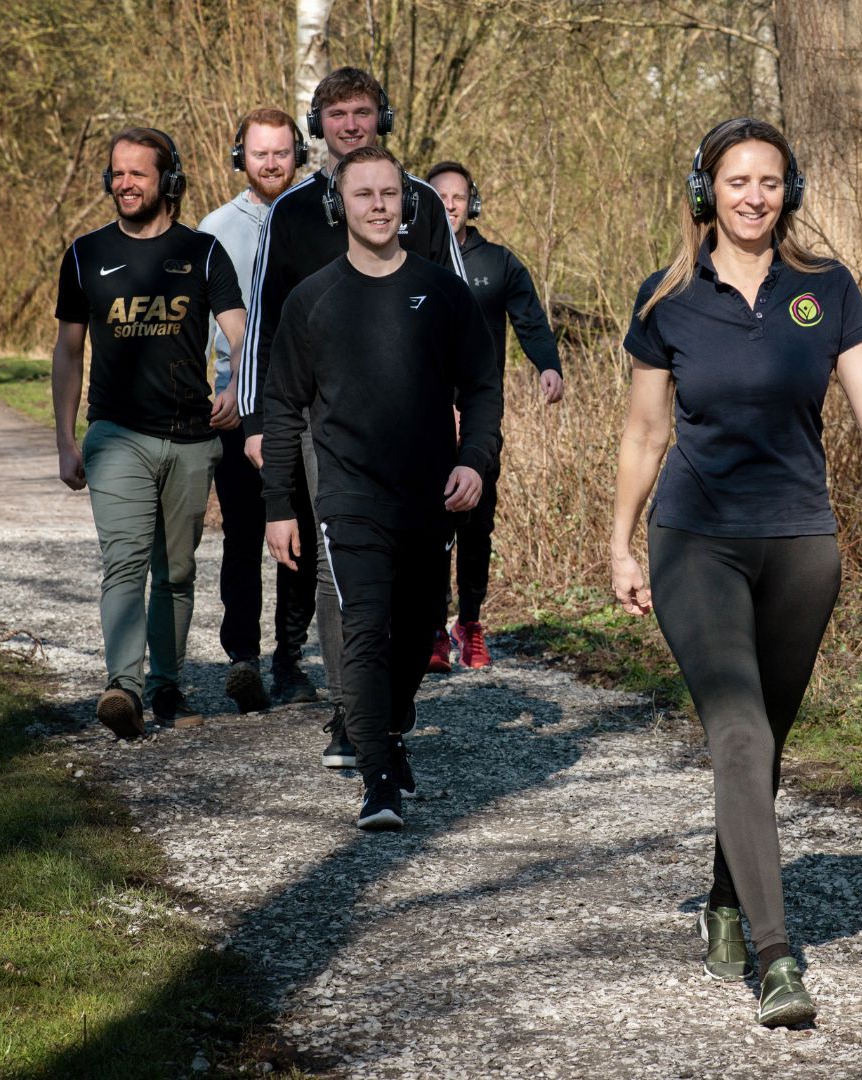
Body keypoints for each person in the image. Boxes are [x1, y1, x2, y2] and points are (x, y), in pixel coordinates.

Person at [610, 118, 862, 1027]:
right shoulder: (666, 299)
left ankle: (724, 897)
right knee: (740, 735)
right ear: (705, 189)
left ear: (792, 190)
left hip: (800, 545)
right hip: (695, 540)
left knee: (767, 742)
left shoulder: (826, 289)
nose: (755, 196)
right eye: (737, 180)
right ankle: (777, 958)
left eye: (771, 181)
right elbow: (644, 434)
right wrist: (620, 543)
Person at [260, 145, 500, 830]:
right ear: (340, 206)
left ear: (407, 203)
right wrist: (279, 505)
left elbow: (483, 387)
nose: (377, 206)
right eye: (362, 194)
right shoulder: (312, 300)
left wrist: (475, 462)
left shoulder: (443, 292)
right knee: (365, 626)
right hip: (348, 494)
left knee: (419, 629)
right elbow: (282, 406)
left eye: (389, 194)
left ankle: (390, 732)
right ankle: (377, 781)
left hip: (430, 494)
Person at [240, 66, 465, 768]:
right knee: (334, 557)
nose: (349, 125)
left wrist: (463, 411)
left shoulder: (419, 202)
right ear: (318, 126)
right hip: (318, 413)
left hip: (412, 418)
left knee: (414, 566)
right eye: (336, 115)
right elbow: (264, 322)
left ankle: (388, 694)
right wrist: (255, 418)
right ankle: (350, 711)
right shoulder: (290, 212)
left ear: (382, 119)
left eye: (362, 112)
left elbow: (459, 315)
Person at [52, 126, 246, 738]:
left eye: (138, 172)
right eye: (117, 173)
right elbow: (68, 351)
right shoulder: (84, 254)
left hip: (190, 436)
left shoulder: (204, 252)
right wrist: (64, 440)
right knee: (124, 562)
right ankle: (124, 688)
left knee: (176, 572)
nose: (125, 183)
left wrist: (236, 386)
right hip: (117, 436)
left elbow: (241, 333)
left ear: (169, 179)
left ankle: (166, 686)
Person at [196, 108, 315, 713]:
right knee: (243, 534)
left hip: (306, 412)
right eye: (259, 153)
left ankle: (289, 661)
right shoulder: (214, 230)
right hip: (236, 408)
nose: (271, 164)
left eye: (281, 152)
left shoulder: (321, 218)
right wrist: (216, 390)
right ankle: (242, 657)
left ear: (299, 155)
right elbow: (198, 331)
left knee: (302, 536)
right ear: (239, 157)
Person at [423, 160, 563, 672]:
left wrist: (548, 365)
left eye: (458, 197)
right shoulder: (409, 260)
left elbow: (531, 320)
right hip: (423, 416)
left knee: (476, 522)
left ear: (472, 203)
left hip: (481, 412)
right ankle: (433, 628)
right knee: (432, 522)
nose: (450, 205)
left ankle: (470, 622)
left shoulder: (499, 263)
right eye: (440, 196)